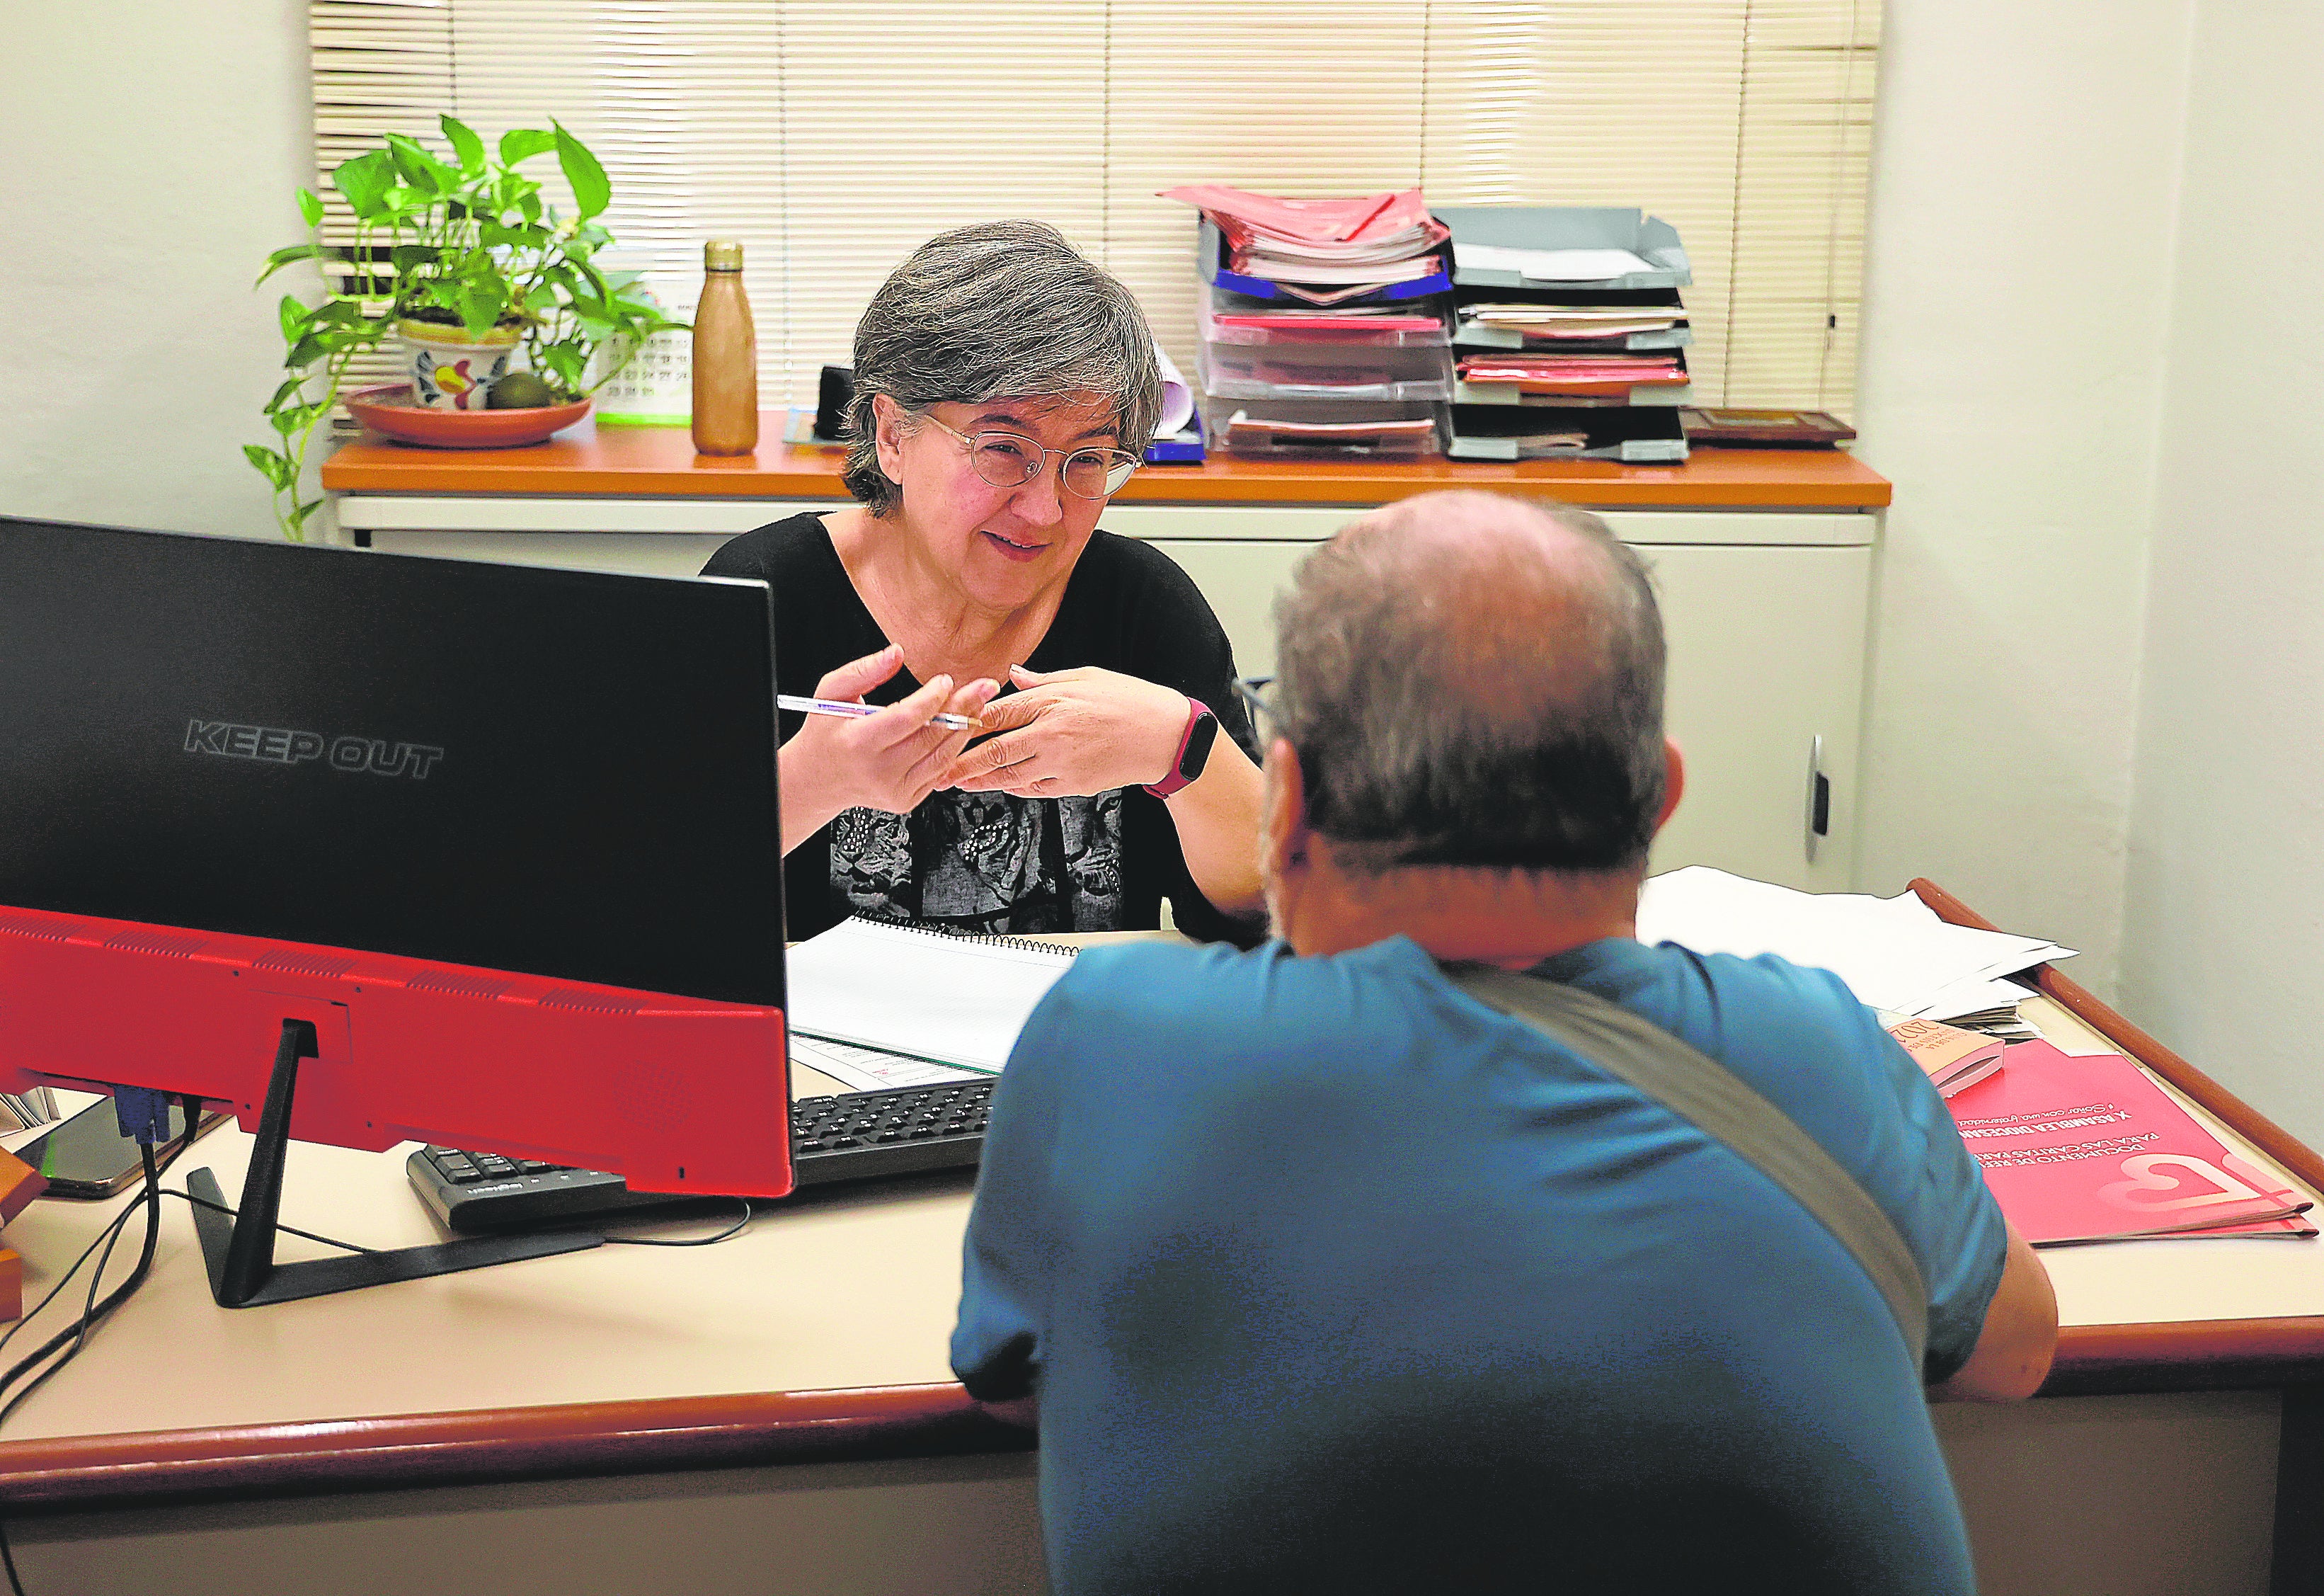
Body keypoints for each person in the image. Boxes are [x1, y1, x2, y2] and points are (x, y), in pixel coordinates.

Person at [951, 490, 2058, 1596]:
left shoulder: (1113, 1039)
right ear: (1658, 794)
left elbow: (1011, 1382)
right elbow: (2011, 1350)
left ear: (1282, 799)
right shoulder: (1814, 1044)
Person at [701, 220, 1264, 942]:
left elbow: (1263, 912)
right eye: (1003, 450)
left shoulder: (1142, 607)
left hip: (1066, 1041)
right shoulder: (764, 597)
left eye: (1087, 461)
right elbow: (650, 899)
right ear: (894, 436)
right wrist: (813, 784)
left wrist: (1182, 750)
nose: (1045, 509)